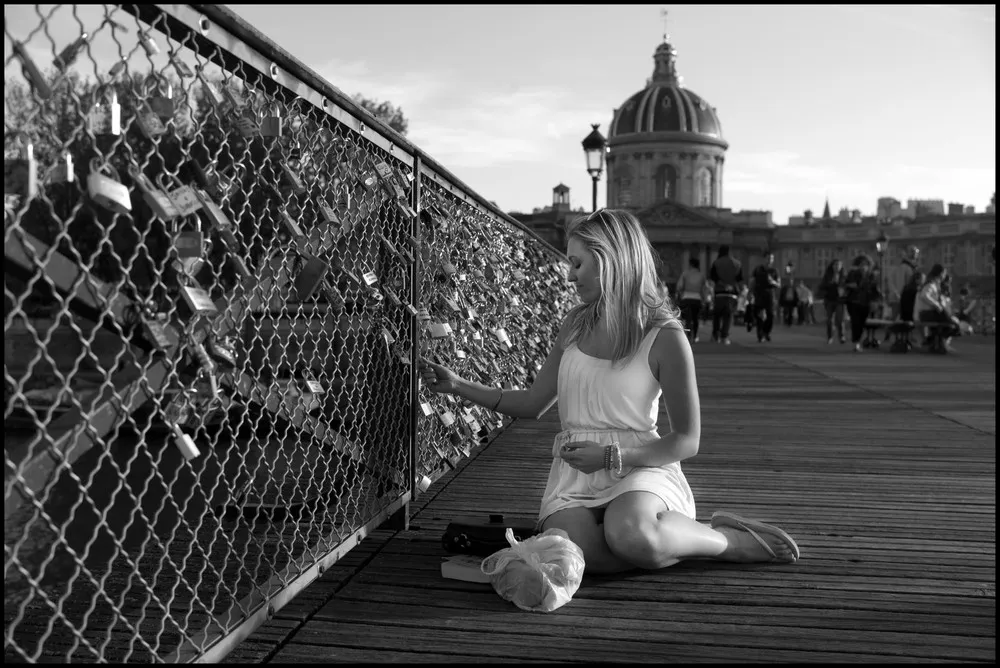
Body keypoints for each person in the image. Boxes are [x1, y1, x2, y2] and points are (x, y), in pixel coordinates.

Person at [419, 209, 800, 575]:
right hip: (575, 474)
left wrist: (611, 456)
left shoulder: (665, 335)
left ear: (611, 261)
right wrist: (459, 386)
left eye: (578, 264)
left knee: (631, 534)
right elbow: (534, 403)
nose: (569, 276)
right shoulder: (573, 323)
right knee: (584, 556)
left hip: (639, 465)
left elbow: (688, 440)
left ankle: (725, 541)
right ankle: (671, 540)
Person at [916, 264, 961, 351]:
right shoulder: (931, 284)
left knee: (949, 322)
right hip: (927, 314)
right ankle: (941, 342)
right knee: (951, 324)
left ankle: (938, 342)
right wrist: (936, 304)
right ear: (940, 274)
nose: (944, 276)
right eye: (944, 273)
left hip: (926, 314)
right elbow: (924, 295)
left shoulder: (934, 284)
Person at [843, 254, 881, 352]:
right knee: (855, 322)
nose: (863, 267)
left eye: (866, 264)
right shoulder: (853, 274)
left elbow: (875, 290)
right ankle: (856, 343)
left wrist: (876, 300)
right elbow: (845, 284)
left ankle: (858, 340)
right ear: (858, 265)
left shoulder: (872, 276)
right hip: (853, 302)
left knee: (862, 323)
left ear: (869, 266)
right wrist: (851, 285)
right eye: (861, 264)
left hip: (865, 303)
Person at [709, 244, 743, 345]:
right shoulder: (737, 263)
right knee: (728, 316)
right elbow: (739, 279)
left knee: (717, 315)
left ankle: (715, 335)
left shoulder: (716, 262)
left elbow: (713, 277)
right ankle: (724, 336)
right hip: (731, 294)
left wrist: (722, 284)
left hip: (719, 293)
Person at [675, 257, 707, 343]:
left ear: (691, 265)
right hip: (697, 299)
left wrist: (680, 295)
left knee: (688, 318)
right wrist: (704, 300)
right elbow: (704, 289)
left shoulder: (685, 274)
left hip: (686, 298)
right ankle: (695, 335)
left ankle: (688, 336)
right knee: (696, 318)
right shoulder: (701, 275)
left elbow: (679, 287)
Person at [750, 253, 780, 342]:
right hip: (759, 293)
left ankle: (766, 331)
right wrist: (749, 292)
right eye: (768, 258)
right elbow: (752, 281)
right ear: (764, 259)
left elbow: (779, 284)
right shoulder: (758, 269)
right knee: (759, 315)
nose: (770, 260)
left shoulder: (775, 271)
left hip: (769, 294)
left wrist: (772, 282)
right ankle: (760, 335)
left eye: (771, 258)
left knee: (770, 315)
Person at [818, 259, 846, 344]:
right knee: (829, 320)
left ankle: (841, 336)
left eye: (839, 265)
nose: (837, 267)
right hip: (829, 300)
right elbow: (821, 287)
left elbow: (847, 287)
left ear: (841, 266)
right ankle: (830, 337)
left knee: (840, 319)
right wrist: (829, 285)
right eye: (835, 265)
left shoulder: (844, 276)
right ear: (832, 266)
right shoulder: (828, 276)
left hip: (839, 301)